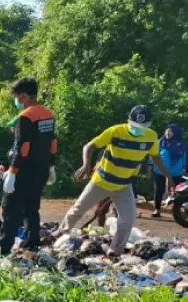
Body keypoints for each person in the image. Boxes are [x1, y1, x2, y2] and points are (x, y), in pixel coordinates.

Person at [58, 105, 173, 256]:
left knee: (128, 219)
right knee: (78, 209)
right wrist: (86, 164)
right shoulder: (115, 131)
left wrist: (168, 176)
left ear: (148, 125)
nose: (137, 129)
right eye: (134, 126)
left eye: (141, 127)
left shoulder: (151, 137)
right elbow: (89, 146)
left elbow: (156, 158)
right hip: (101, 182)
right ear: (128, 121)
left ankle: (115, 250)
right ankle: (60, 235)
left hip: (123, 185)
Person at [0, 77, 57, 255]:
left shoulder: (26, 116)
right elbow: (52, 142)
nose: (16, 101)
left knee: (11, 209)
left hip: (24, 170)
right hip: (42, 169)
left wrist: (13, 171)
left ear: (23, 96)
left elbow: (23, 146)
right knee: (32, 208)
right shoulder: (49, 114)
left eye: (16, 97)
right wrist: (52, 165)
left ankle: (4, 249)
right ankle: (32, 244)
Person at [152, 123, 187, 217]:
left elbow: (183, 157)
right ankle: (157, 209)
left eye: (170, 131)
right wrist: (150, 165)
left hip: (176, 172)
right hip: (159, 171)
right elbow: (153, 155)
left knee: (176, 192)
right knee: (158, 190)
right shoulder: (160, 142)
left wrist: (183, 167)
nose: (167, 133)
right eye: (166, 131)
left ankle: (175, 211)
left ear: (175, 133)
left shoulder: (181, 144)